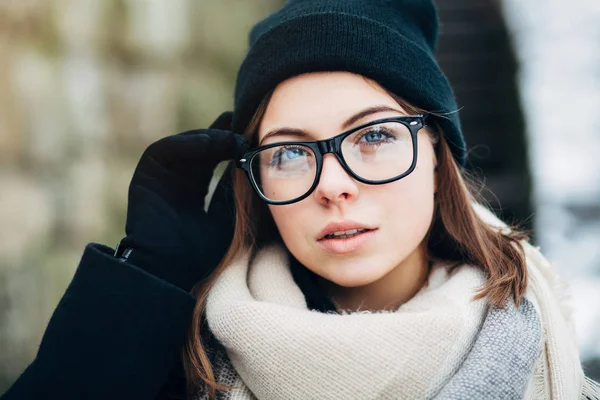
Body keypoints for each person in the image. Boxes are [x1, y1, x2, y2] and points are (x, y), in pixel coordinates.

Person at [2, 1, 599, 399]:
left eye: (374, 137)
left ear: (439, 158)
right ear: (255, 179)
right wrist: (147, 279)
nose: (336, 184)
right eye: (289, 153)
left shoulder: (546, 360)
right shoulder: (182, 363)